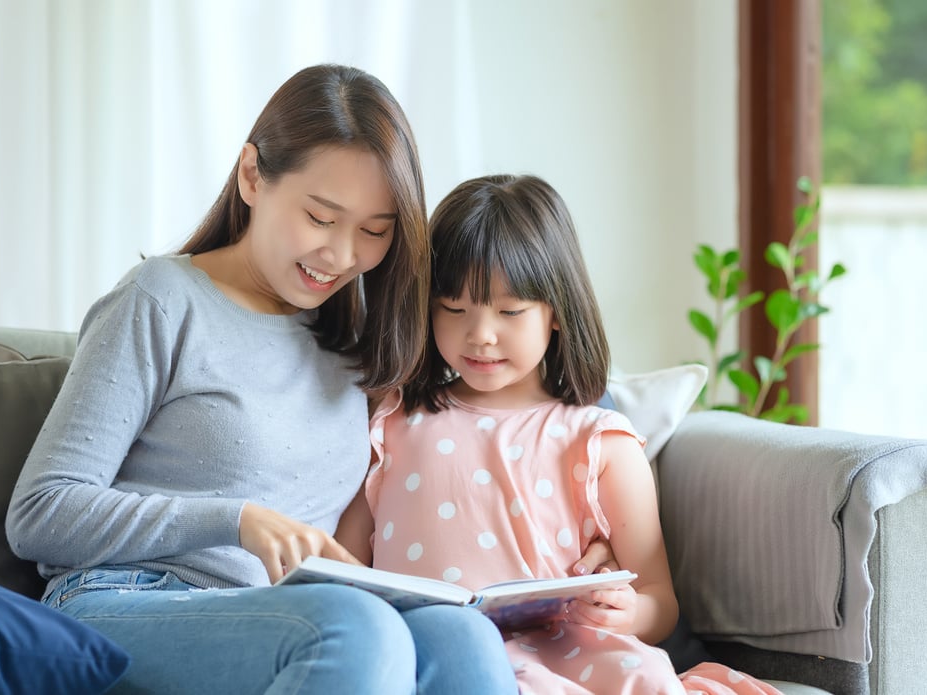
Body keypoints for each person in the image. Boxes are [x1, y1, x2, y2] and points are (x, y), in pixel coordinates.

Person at [5, 64, 520, 694]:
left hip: (285, 617)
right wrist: (236, 520)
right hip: (127, 600)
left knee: (461, 636)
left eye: (374, 232)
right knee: (354, 628)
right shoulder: (162, 300)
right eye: (320, 217)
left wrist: (589, 537)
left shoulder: (355, 342)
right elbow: (39, 512)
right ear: (253, 176)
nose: (340, 255)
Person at [335, 174, 784, 694]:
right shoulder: (393, 423)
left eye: (510, 312)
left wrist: (628, 612)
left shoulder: (600, 442)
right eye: (453, 309)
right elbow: (346, 566)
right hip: (439, 656)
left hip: (570, 653)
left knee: (644, 677)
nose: (480, 334)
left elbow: (659, 600)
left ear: (556, 313)